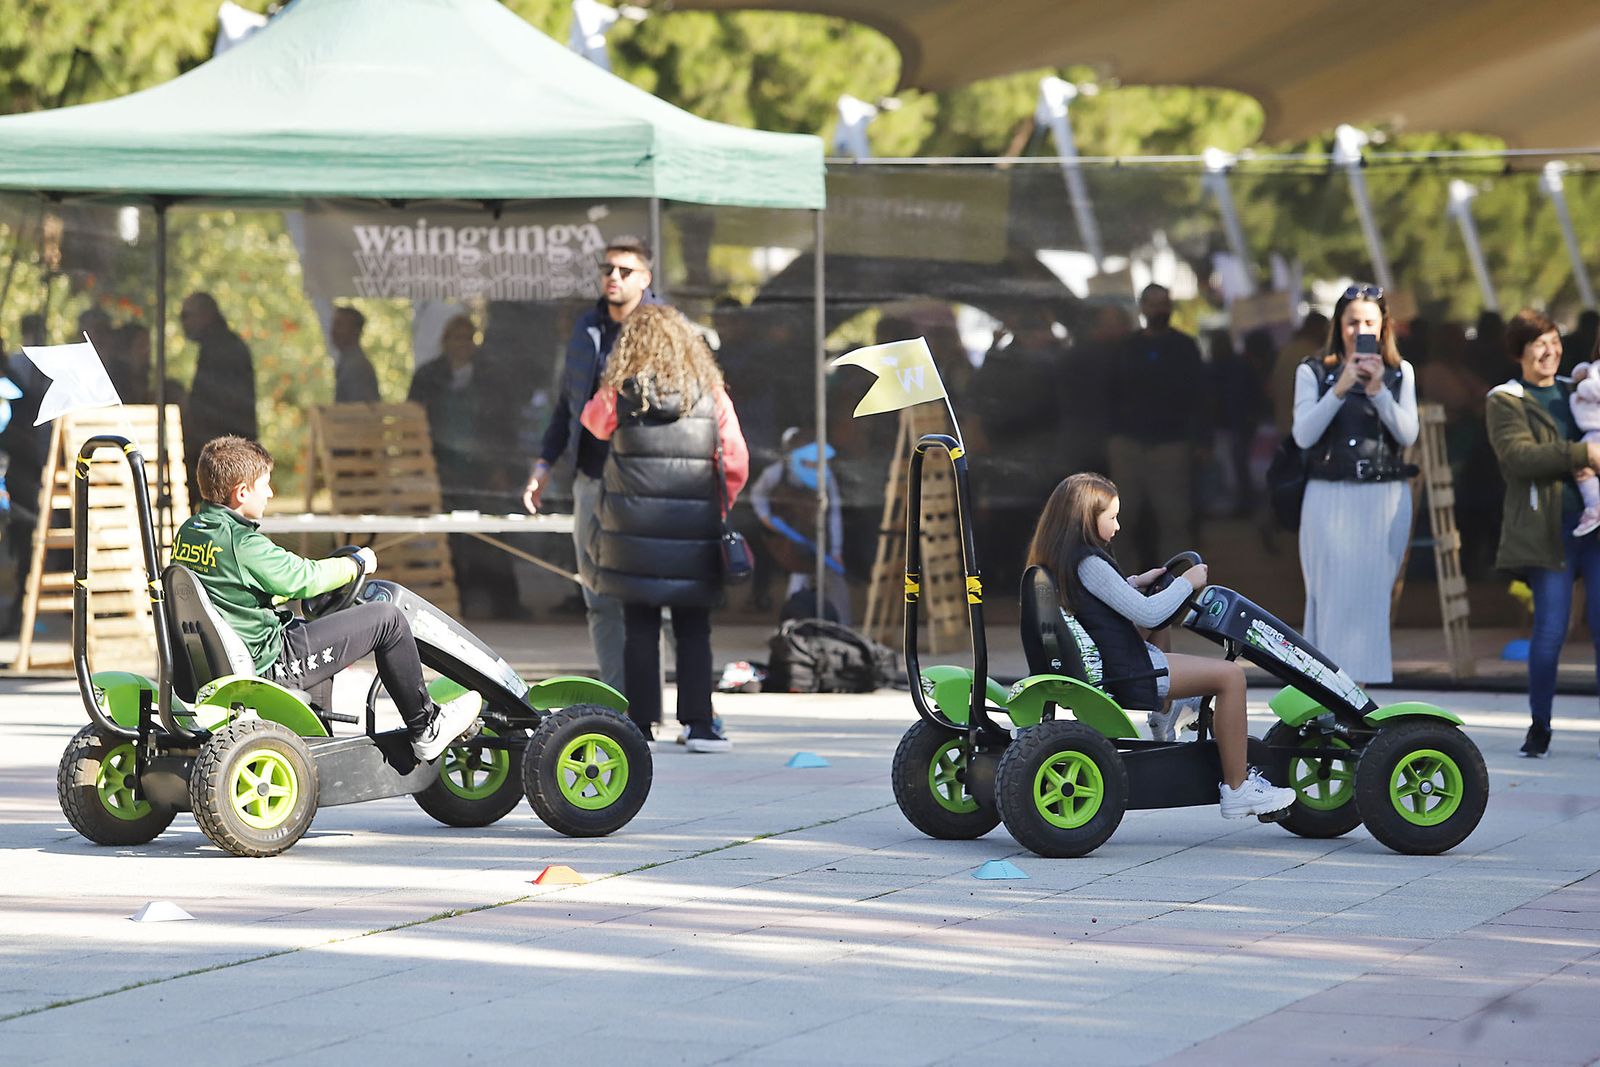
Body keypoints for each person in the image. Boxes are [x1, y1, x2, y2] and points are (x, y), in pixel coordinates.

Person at [171, 436, 481, 760]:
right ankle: (426, 725)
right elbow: (304, 578)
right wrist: (357, 564)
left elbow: (230, 590)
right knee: (387, 619)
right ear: (242, 493)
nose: (271, 493)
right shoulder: (242, 543)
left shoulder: (191, 531)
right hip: (267, 663)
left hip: (223, 659)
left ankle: (316, 746)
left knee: (316, 630)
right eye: (266, 485)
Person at [1025, 472, 1296, 818]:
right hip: (1124, 671)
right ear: (1085, 520)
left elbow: (1102, 603)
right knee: (1230, 677)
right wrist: (1185, 583)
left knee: (1162, 618)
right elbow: (1149, 615)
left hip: (1109, 657)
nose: (1118, 526)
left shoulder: (1059, 557)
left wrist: (1136, 582)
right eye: (1111, 517)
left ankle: (1166, 714)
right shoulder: (1090, 562)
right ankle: (1238, 788)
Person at [579, 305, 748, 751]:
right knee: (695, 627)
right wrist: (718, 505)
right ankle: (700, 725)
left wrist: (611, 382)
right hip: (696, 532)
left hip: (633, 534)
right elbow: (735, 460)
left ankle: (640, 725)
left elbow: (592, 423)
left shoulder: (620, 394)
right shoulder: (711, 394)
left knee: (640, 626)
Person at [524, 236, 660, 694]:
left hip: (643, 482)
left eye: (624, 271)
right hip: (591, 478)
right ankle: (618, 702)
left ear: (646, 277)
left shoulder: (663, 329)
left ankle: (668, 706)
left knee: (648, 598)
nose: (613, 279)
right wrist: (544, 464)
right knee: (597, 596)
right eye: (607, 270)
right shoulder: (587, 329)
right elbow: (567, 405)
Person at [1486, 309, 1600, 758]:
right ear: (1520, 351)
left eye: (1554, 340)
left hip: (1595, 527)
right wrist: (1583, 451)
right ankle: (1540, 726)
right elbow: (1518, 458)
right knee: (1551, 630)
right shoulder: (1505, 399)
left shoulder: (1579, 390)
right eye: (1539, 343)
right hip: (1547, 528)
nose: (1549, 350)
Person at [1291, 284, 1419, 685]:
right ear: (1338, 325)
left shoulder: (1400, 372)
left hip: (1383, 495)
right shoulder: (1312, 370)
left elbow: (1408, 433)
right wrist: (1340, 387)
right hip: (1330, 494)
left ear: (1383, 327)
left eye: (1368, 322)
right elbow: (1304, 435)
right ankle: (1326, 690)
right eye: (1351, 322)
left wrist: (1379, 390)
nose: (1359, 329)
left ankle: (1359, 693)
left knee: (1372, 598)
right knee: (1328, 597)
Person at [408, 314, 520, 618]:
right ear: (445, 343)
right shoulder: (428, 376)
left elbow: (504, 425)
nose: (460, 345)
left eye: (466, 338)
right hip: (442, 466)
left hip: (484, 467)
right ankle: (453, 604)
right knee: (448, 537)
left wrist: (501, 466)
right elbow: (413, 421)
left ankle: (504, 604)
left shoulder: (492, 376)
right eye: (454, 338)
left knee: (492, 533)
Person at [1107, 283, 1208, 569]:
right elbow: (1110, 393)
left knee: (1174, 519)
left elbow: (1199, 397)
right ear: (1142, 307)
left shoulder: (1184, 347)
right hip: (1128, 444)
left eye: (1163, 303)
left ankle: (1177, 589)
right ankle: (1122, 587)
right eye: (1153, 303)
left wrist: (1201, 441)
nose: (1158, 309)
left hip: (1171, 444)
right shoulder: (1126, 347)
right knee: (1120, 520)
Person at [750, 426, 848, 624]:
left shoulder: (825, 475)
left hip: (820, 535)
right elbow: (756, 494)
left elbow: (834, 512)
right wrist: (765, 517)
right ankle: (791, 626)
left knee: (835, 580)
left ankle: (845, 627)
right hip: (791, 534)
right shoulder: (777, 472)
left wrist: (836, 550)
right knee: (799, 574)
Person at [179, 292, 258, 504]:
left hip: (223, 450)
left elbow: (216, 404)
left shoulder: (222, 349)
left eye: (186, 315)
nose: (183, 323)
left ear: (205, 315)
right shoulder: (221, 346)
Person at [328, 304, 380, 403]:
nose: (333, 331)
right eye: (334, 325)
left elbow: (361, 413)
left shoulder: (357, 367)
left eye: (339, 325)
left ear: (355, 331)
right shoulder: (348, 362)